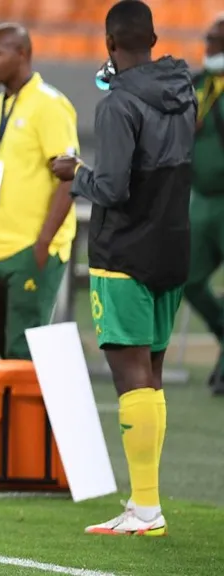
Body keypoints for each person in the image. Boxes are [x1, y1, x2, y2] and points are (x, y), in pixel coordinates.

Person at [51, 0, 195, 536]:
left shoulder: (116, 105)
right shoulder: (185, 93)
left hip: (125, 251)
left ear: (110, 45)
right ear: (153, 40)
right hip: (172, 246)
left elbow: (112, 187)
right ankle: (145, 503)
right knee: (151, 376)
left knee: (130, 375)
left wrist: (74, 172)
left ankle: (147, 508)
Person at [0, 23, 80, 360]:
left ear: (23, 54)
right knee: (5, 348)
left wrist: (44, 242)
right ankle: (21, 414)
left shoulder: (49, 105)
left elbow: (70, 176)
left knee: (24, 350)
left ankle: (38, 415)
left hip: (29, 249)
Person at [185, 14, 224, 392]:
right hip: (202, 198)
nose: (209, 46)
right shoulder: (198, 85)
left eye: (217, 40)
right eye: (209, 39)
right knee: (188, 279)